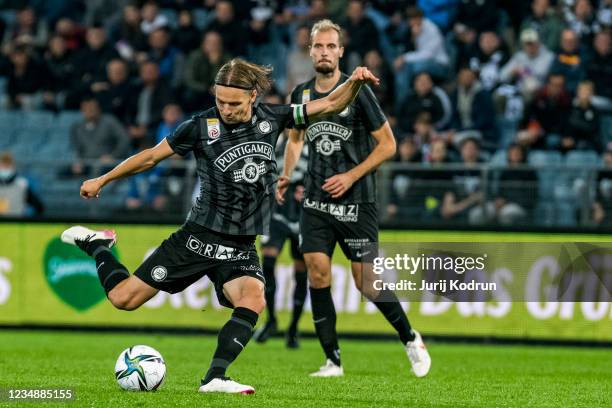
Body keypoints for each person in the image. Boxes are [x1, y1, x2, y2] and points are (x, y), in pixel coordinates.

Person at [60, 58, 380, 395]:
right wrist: (104, 178)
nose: (226, 109)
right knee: (123, 299)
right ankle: (97, 244)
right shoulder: (199, 127)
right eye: (220, 101)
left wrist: (355, 81)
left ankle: (214, 378)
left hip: (241, 245)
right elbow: (152, 156)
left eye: (234, 103)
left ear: (253, 96)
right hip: (198, 238)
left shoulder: (273, 118)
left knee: (254, 298)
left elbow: (330, 102)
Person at [278, 19, 431, 378]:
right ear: (311, 50)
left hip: (357, 200)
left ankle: (410, 338)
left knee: (367, 284)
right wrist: (287, 173)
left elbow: (389, 145)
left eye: (332, 46)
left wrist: (350, 175)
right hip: (315, 200)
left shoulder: (358, 90)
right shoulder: (301, 94)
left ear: (340, 52)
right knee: (317, 273)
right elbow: (296, 139)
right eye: (319, 46)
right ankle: (332, 360)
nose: (325, 52)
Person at [253, 134, 309, 349]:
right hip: (276, 209)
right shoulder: (273, 138)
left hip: (302, 213)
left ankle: (293, 327)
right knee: (267, 261)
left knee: (301, 270)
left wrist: (311, 189)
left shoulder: (312, 143)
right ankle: (271, 320)